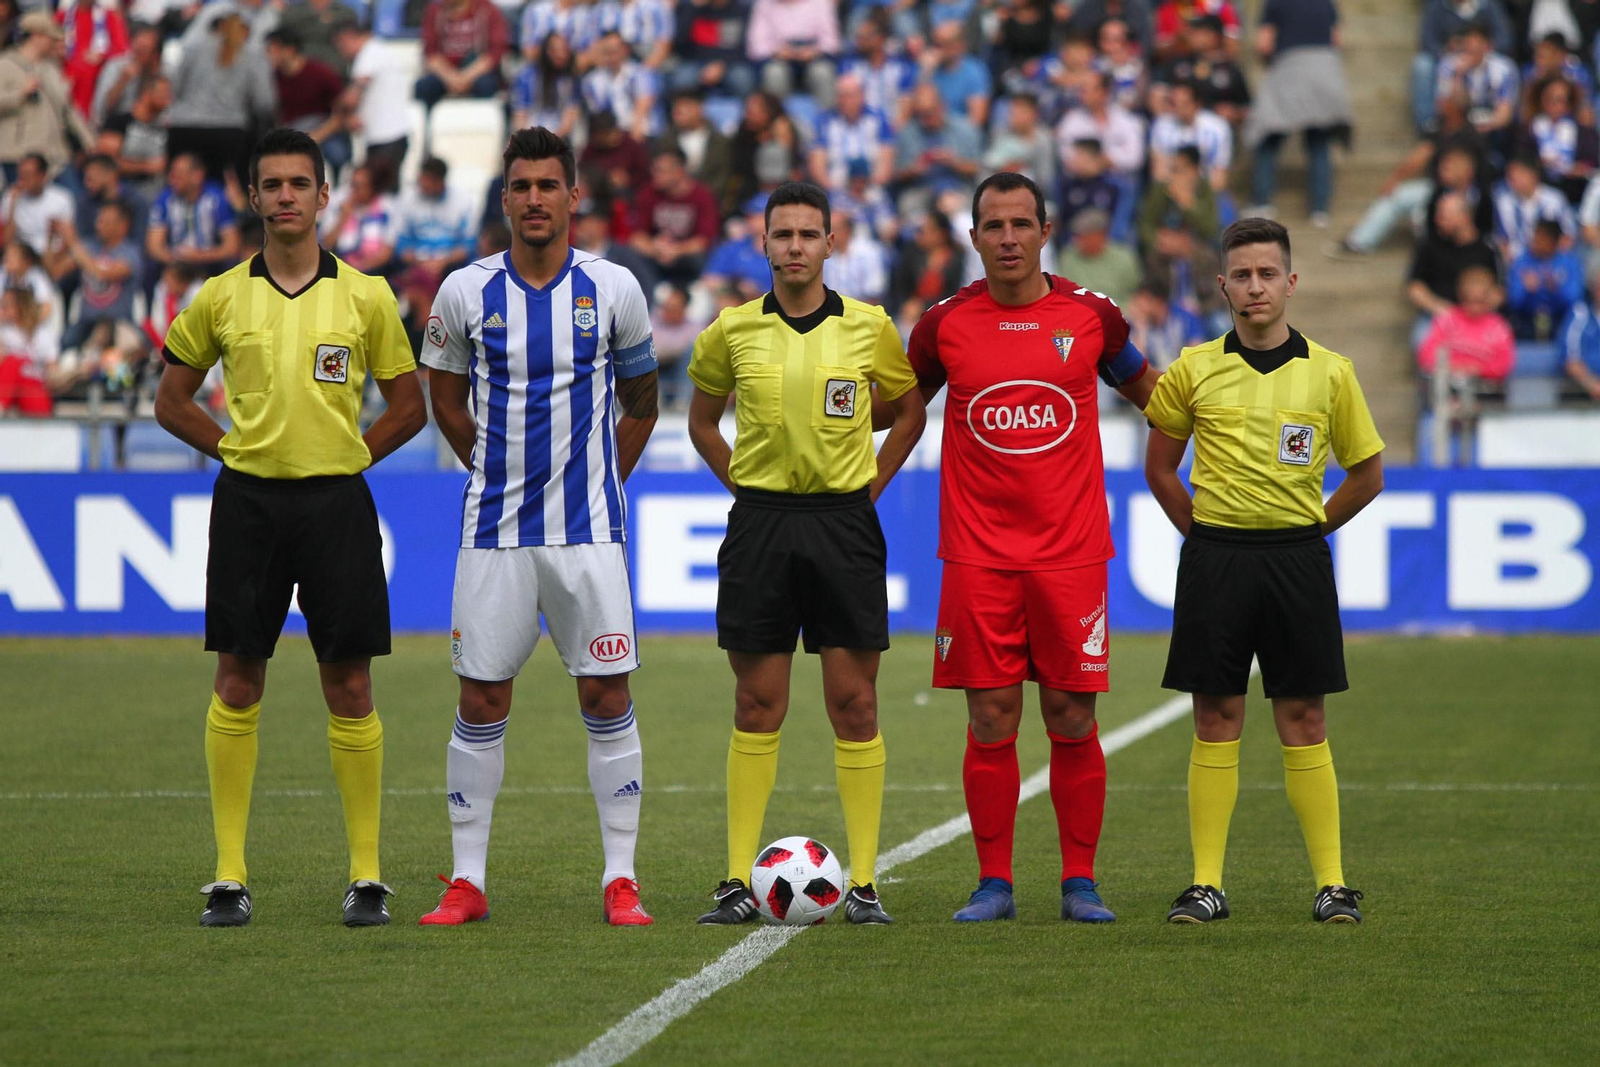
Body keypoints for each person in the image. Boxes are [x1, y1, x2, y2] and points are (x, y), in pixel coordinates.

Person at [152, 127, 427, 928]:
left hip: (336, 505)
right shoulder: (219, 295)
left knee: (349, 682)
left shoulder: (368, 296)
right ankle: (230, 875)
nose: (284, 196)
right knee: (239, 678)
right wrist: (232, 449)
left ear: (323, 195)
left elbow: (408, 405)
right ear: (252, 196)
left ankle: (367, 876)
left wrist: (348, 457)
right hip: (248, 503)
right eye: (270, 184)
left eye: (298, 183)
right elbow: (172, 400)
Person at [416, 127, 662, 927]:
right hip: (492, 529)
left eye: (546, 185)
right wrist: (492, 466)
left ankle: (620, 879)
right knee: (482, 696)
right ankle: (467, 879)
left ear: (573, 194)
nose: (533, 199)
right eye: (519, 186)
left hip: (589, 532)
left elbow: (643, 402)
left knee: (605, 690)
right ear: (505, 198)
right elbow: (444, 399)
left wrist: (596, 480)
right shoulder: (463, 291)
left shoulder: (615, 287)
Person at [903, 171, 1158, 924]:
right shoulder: (942, 324)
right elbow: (898, 407)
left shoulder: (1090, 315)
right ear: (974, 236)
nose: (1008, 238)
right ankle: (994, 881)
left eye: (1021, 223)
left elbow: (1156, 396)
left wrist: (1188, 470)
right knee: (989, 717)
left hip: (1071, 552)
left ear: (1045, 231)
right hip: (978, 554)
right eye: (993, 225)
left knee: (1072, 715)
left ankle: (1080, 880)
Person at [685, 180, 926, 926]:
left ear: (831, 242)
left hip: (844, 526)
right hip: (760, 526)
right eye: (781, 234)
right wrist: (746, 493)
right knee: (758, 701)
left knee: (854, 702)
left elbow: (910, 410)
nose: (794, 246)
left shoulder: (869, 326)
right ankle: (734, 879)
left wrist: (868, 489)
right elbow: (701, 422)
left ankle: (863, 883)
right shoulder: (729, 331)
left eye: (807, 234)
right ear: (763, 243)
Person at [1142, 217, 1384, 925]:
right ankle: (1206, 883)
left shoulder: (1331, 372)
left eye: (1267, 273)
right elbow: (1159, 466)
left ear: (1290, 282)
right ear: (1222, 285)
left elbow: (1367, 473)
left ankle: (1332, 883)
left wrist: (1315, 527)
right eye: (1241, 275)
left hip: (1296, 561)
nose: (1255, 286)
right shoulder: (1193, 368)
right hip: (1216, 558)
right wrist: (1200, 532)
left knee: (1304, 716)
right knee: (1216, 715)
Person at [0, 13, 96, 179]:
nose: (55, 43)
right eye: (51, 38)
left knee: (70, 200)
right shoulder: (5, 65)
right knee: (20, 202)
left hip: (54, 154)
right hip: (18, 154)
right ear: (36, 36)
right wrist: (20, 94)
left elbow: (68, 108)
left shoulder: (51, 69)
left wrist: (89, 141)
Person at [1417, 263, 1516, 383]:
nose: (1474, 307)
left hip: (1485, 388)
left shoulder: (1498, 327)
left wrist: (1477, 370)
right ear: (1460, 296)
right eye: (1468, 300)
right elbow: (1426, 355)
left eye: (1479, 301)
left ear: (1490, 298)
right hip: (1448, 384)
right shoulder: (1447, 320)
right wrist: (1453, 368)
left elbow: (1503, 364)